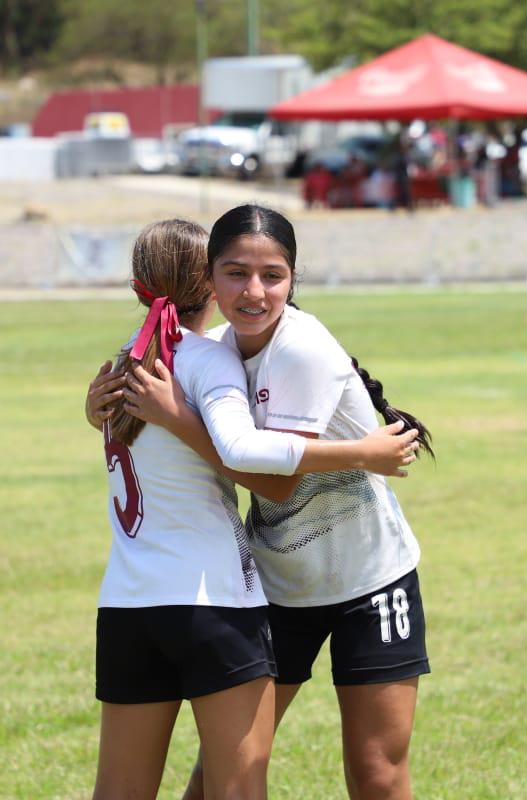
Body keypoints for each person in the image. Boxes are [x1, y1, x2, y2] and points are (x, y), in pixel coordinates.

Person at [94, 205, 433, 800]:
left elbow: (275, 482)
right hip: (276, 579)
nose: (254, 292)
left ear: (294, 279)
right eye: (236, 274)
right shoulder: (212, 349)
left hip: (367, 577)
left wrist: (175, 418)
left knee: (377, 768)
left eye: (272, 276)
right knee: (226, 770)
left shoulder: (298, 347)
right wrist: (100, 406)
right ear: (209, 278)